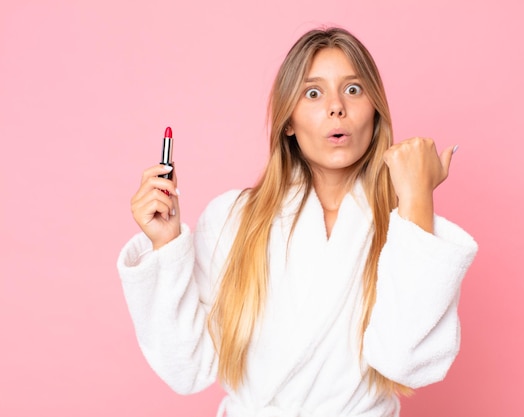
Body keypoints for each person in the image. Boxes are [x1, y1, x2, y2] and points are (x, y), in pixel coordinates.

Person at [117, 27, 478, 417]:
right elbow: (185, 368)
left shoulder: (406, 226)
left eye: (353, 90)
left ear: (376, 111)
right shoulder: (231, 220)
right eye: (313, 93)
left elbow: (405, 361)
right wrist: (166, 244)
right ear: (288, 120)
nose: (336, 107)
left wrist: (417, 198)